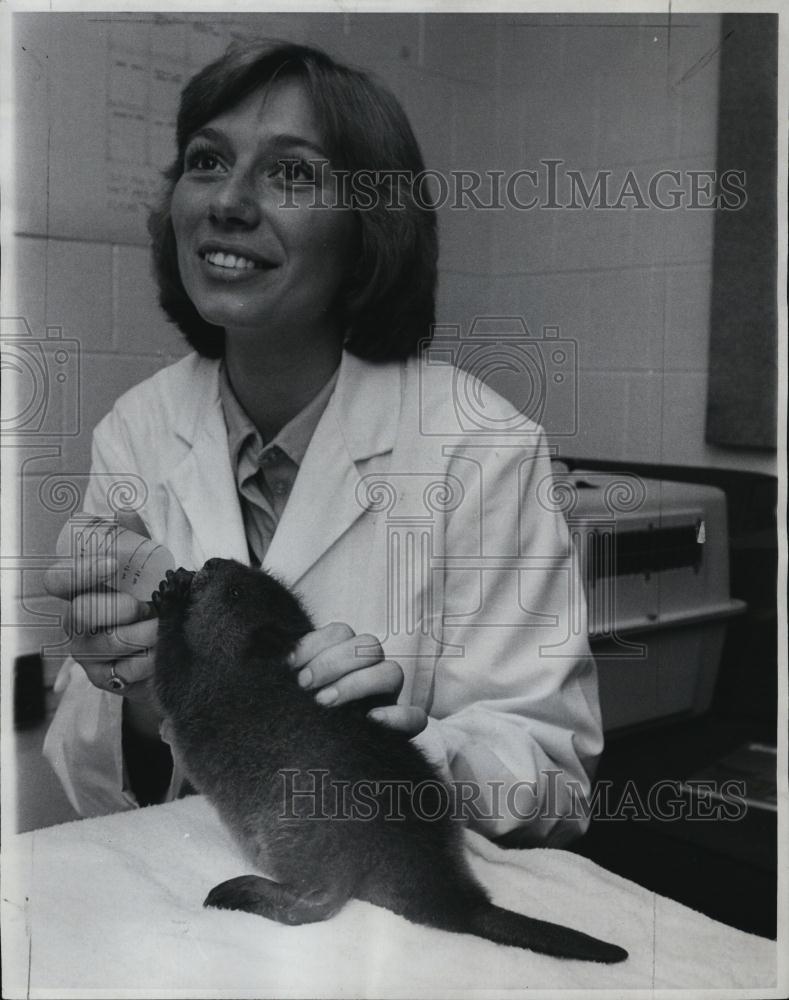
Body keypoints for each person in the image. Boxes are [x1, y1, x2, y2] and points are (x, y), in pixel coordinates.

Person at [43, 40, 603, 845]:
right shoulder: (136, 430)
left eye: (291, 173)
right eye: (207, 161)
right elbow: (89, 782)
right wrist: (134, 694)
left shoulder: (482, 448)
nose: (227, 201)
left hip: (390, 900)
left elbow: (552, 782)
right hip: (201, 890)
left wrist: (395, 752)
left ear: (370, 226)